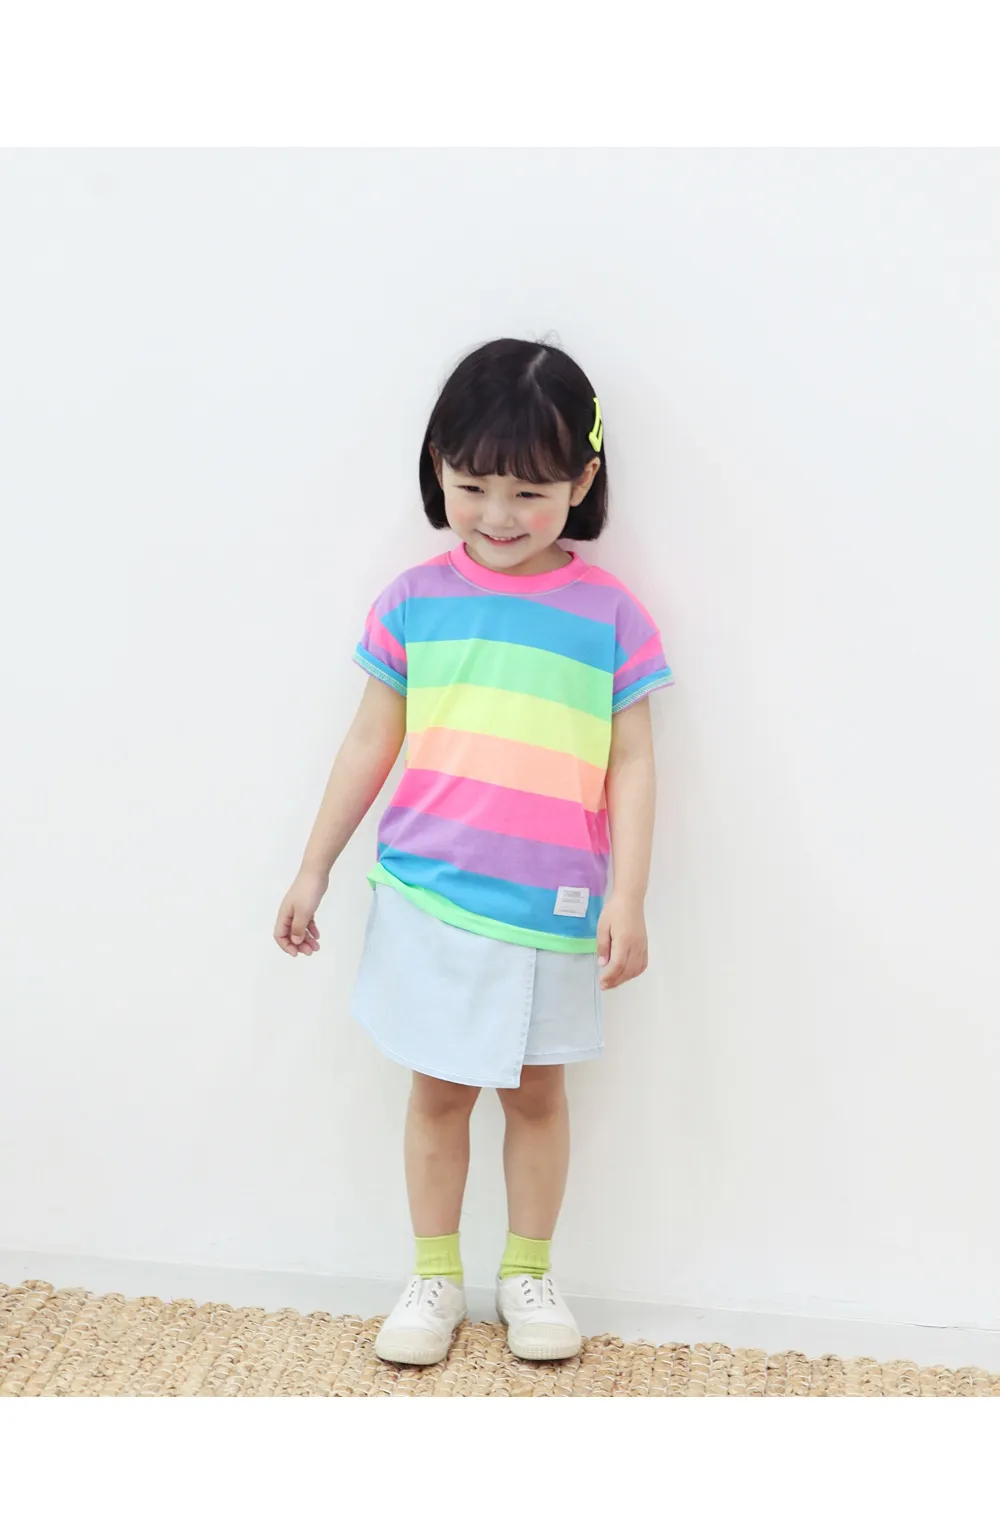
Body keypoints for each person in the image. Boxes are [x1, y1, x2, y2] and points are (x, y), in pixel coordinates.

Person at [273, 337, 675, 1367]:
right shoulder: (414, 601)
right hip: (429, 898)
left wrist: (629, 895)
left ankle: (528, 1273)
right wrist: (315, 865)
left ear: (581, 481)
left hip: (552, 905)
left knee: (537, 1095)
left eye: (529, 491)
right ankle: (434, 1276)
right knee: (438, 1092)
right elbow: (371, 739)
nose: (498, 514)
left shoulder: (610, 617)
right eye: (472, 486)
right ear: (437, 469)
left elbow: (632, 761)